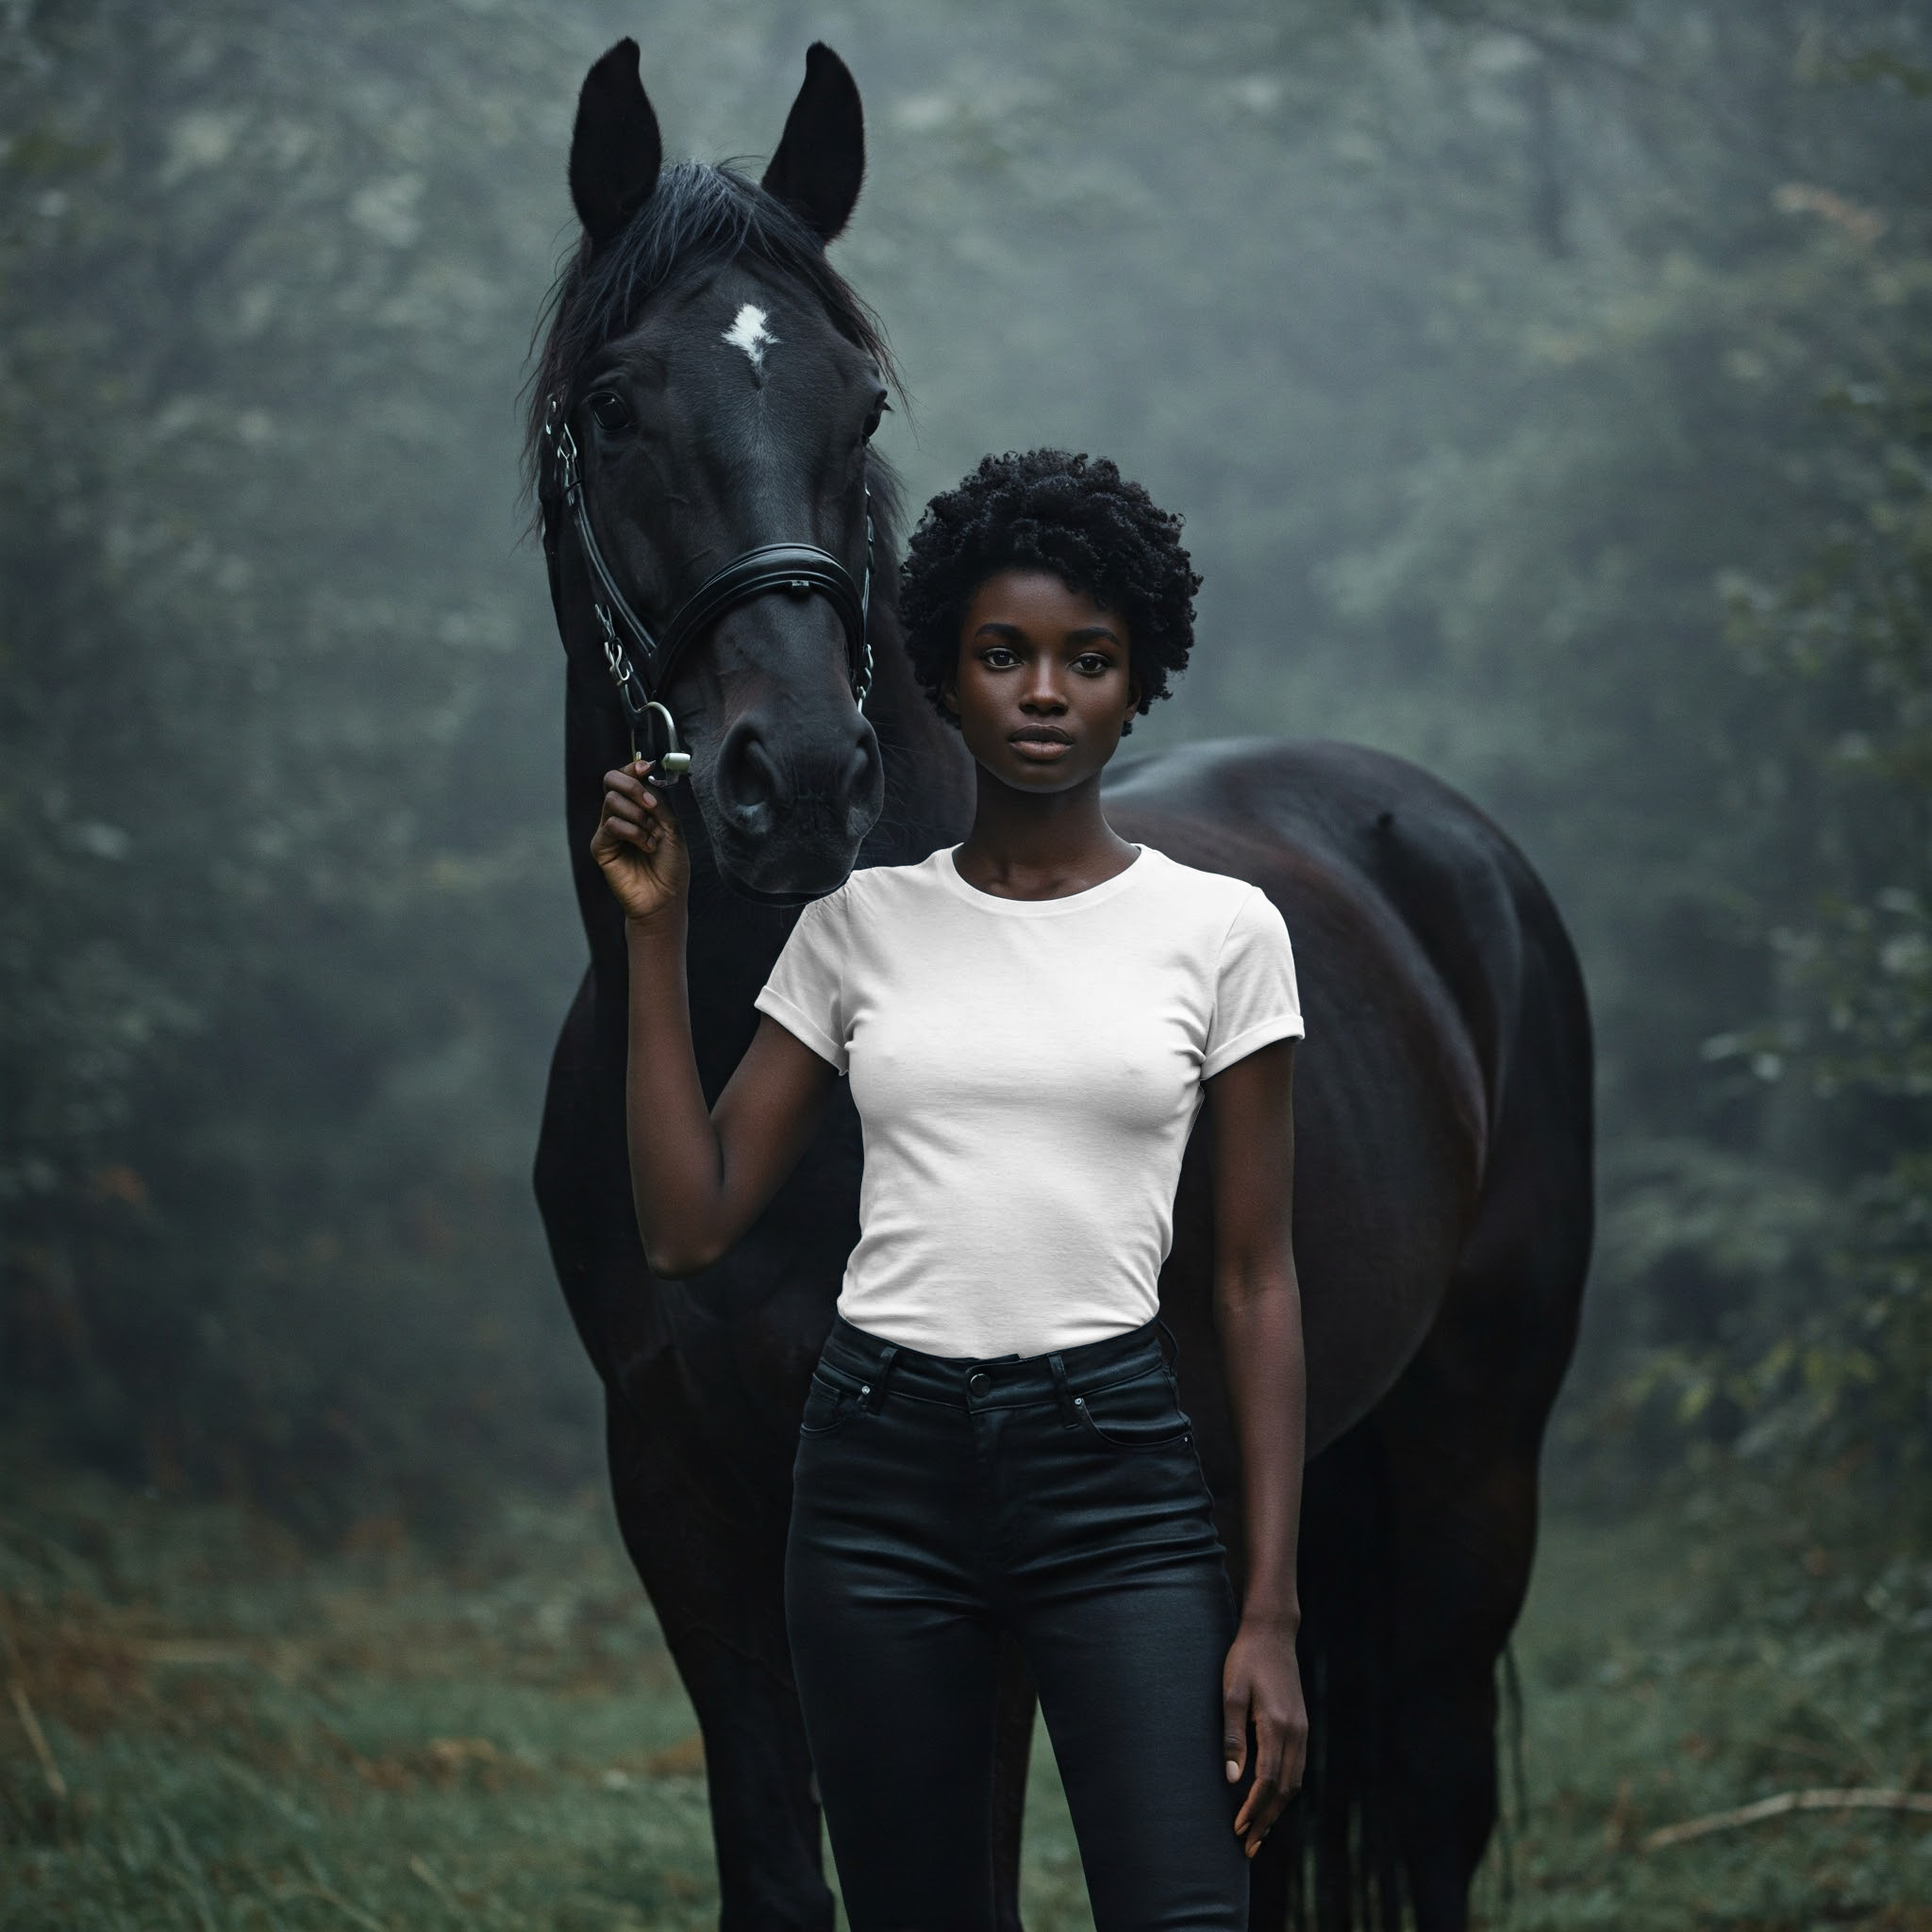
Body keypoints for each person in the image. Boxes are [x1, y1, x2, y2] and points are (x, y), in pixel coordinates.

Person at [591, 448, 1309, 1932]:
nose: (1044, 693)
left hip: (1117, 1481)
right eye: (1003, 656)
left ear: (1137, 679)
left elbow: (1254, 1278)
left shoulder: (1225, 932)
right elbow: (687, 1220)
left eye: (1086, 660)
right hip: (878, 1486)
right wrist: (654, 944)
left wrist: (1272, 1605)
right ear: (944, 675)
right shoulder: (857, 928)